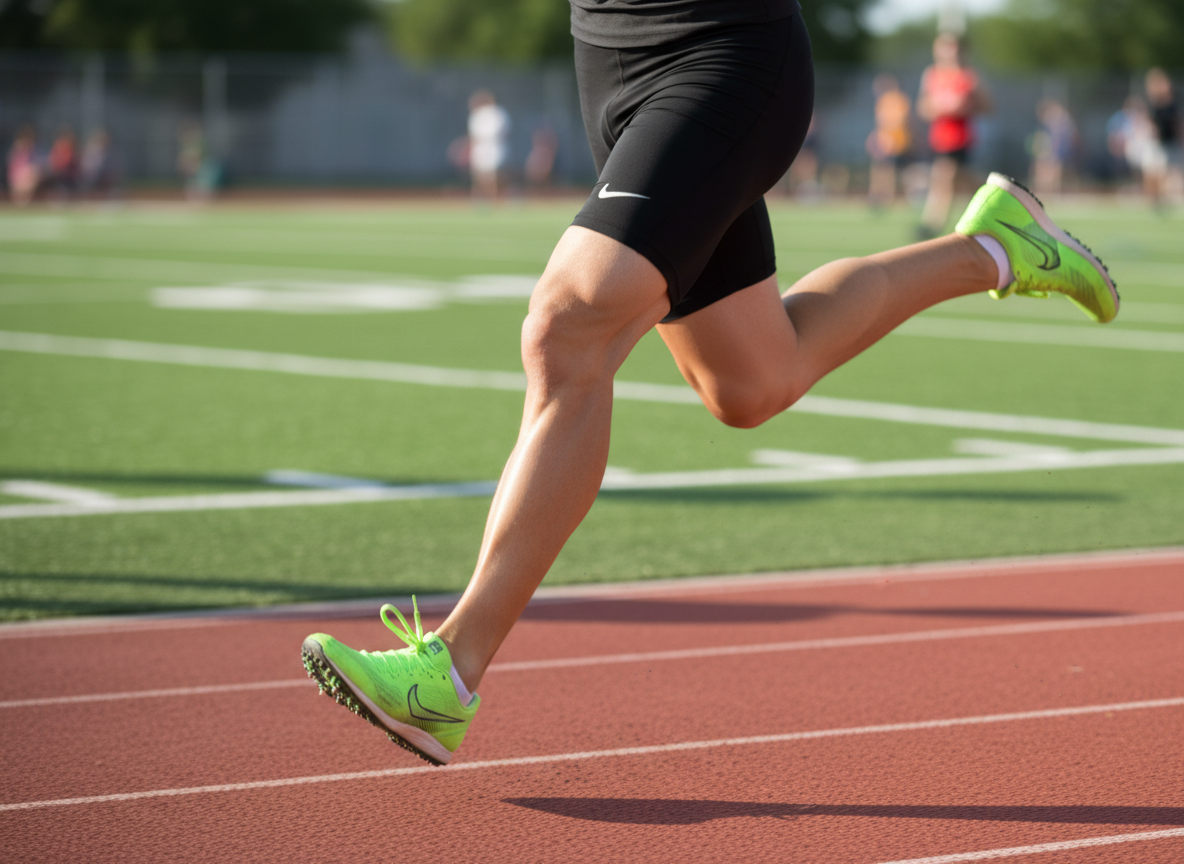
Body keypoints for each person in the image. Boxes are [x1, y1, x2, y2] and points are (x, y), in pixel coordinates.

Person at [301, 2, 1120, 767]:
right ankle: (995, 249)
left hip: (724, 50)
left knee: (569, 324)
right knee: (752, 378)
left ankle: (453, 665)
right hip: (611, 62)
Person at [916, 32, 990, 238]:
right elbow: (923, 108)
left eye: (954, 48)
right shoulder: (932, 75)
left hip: (960, 138)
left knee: (945, 177)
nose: (949, 53)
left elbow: (989, 106)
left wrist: (967, 106)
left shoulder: (968, 76)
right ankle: (991, 196)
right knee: (959, 180)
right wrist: (938, 108)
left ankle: (932, 224)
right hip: (939, 138)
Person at [866, 73, 913, 210]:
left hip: (897, 140)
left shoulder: (899, 100)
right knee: (880, 168)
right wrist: (876, 136)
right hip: (884, 139)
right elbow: (880, 122)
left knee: (891, 170)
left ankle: (888, 197)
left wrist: (890, 138)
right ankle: (877, 196)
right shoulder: (883, 101)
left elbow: (901, 121)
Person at [1143, 68, 1180, 210]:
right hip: (1158, 142)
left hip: (1170, 142)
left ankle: (1167, 198)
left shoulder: (1173, 104)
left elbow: (1176, 124)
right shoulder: (1153, 103)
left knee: (1171, 172)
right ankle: (1154, 200)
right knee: (1153, 171)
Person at [467, 90, 511, 201]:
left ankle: (497, 196)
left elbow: (502, 131)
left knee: (495, 174)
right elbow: (474, 135)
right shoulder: (477, 115)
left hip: (494, 146)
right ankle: (482, 197)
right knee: (480, 174)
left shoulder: (498, 113)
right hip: (481, 147)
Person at [1029, 98, 1077, 197]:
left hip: (1059, 151)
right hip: (1051, 151)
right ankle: (1043, 191)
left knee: (1056, 170)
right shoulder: (1048, 124)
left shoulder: (1062, 122)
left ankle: (1055, 192)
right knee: (1042, 168)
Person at [7, 126, 41, 206]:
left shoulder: (33, 152)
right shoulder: (15, 153)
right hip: (18, 182)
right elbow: (12, 174)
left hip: (30, 181)